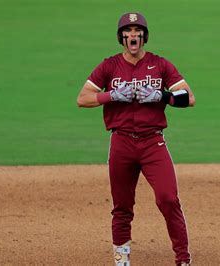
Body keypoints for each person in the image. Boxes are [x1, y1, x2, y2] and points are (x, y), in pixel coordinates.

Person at [77, 12, 195, 266]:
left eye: (137, 31)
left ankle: (183, 260)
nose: (133, 35)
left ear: (144, 36)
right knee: (122, 206)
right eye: (128, 31)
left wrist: (162, 96)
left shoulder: (160, 64)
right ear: (121, 37)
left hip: (153, 143)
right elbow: (82, 98)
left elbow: (189, 98)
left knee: (168, 199)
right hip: (121, 143)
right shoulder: (109, 66)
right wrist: (111, 96)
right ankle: (122, 262)